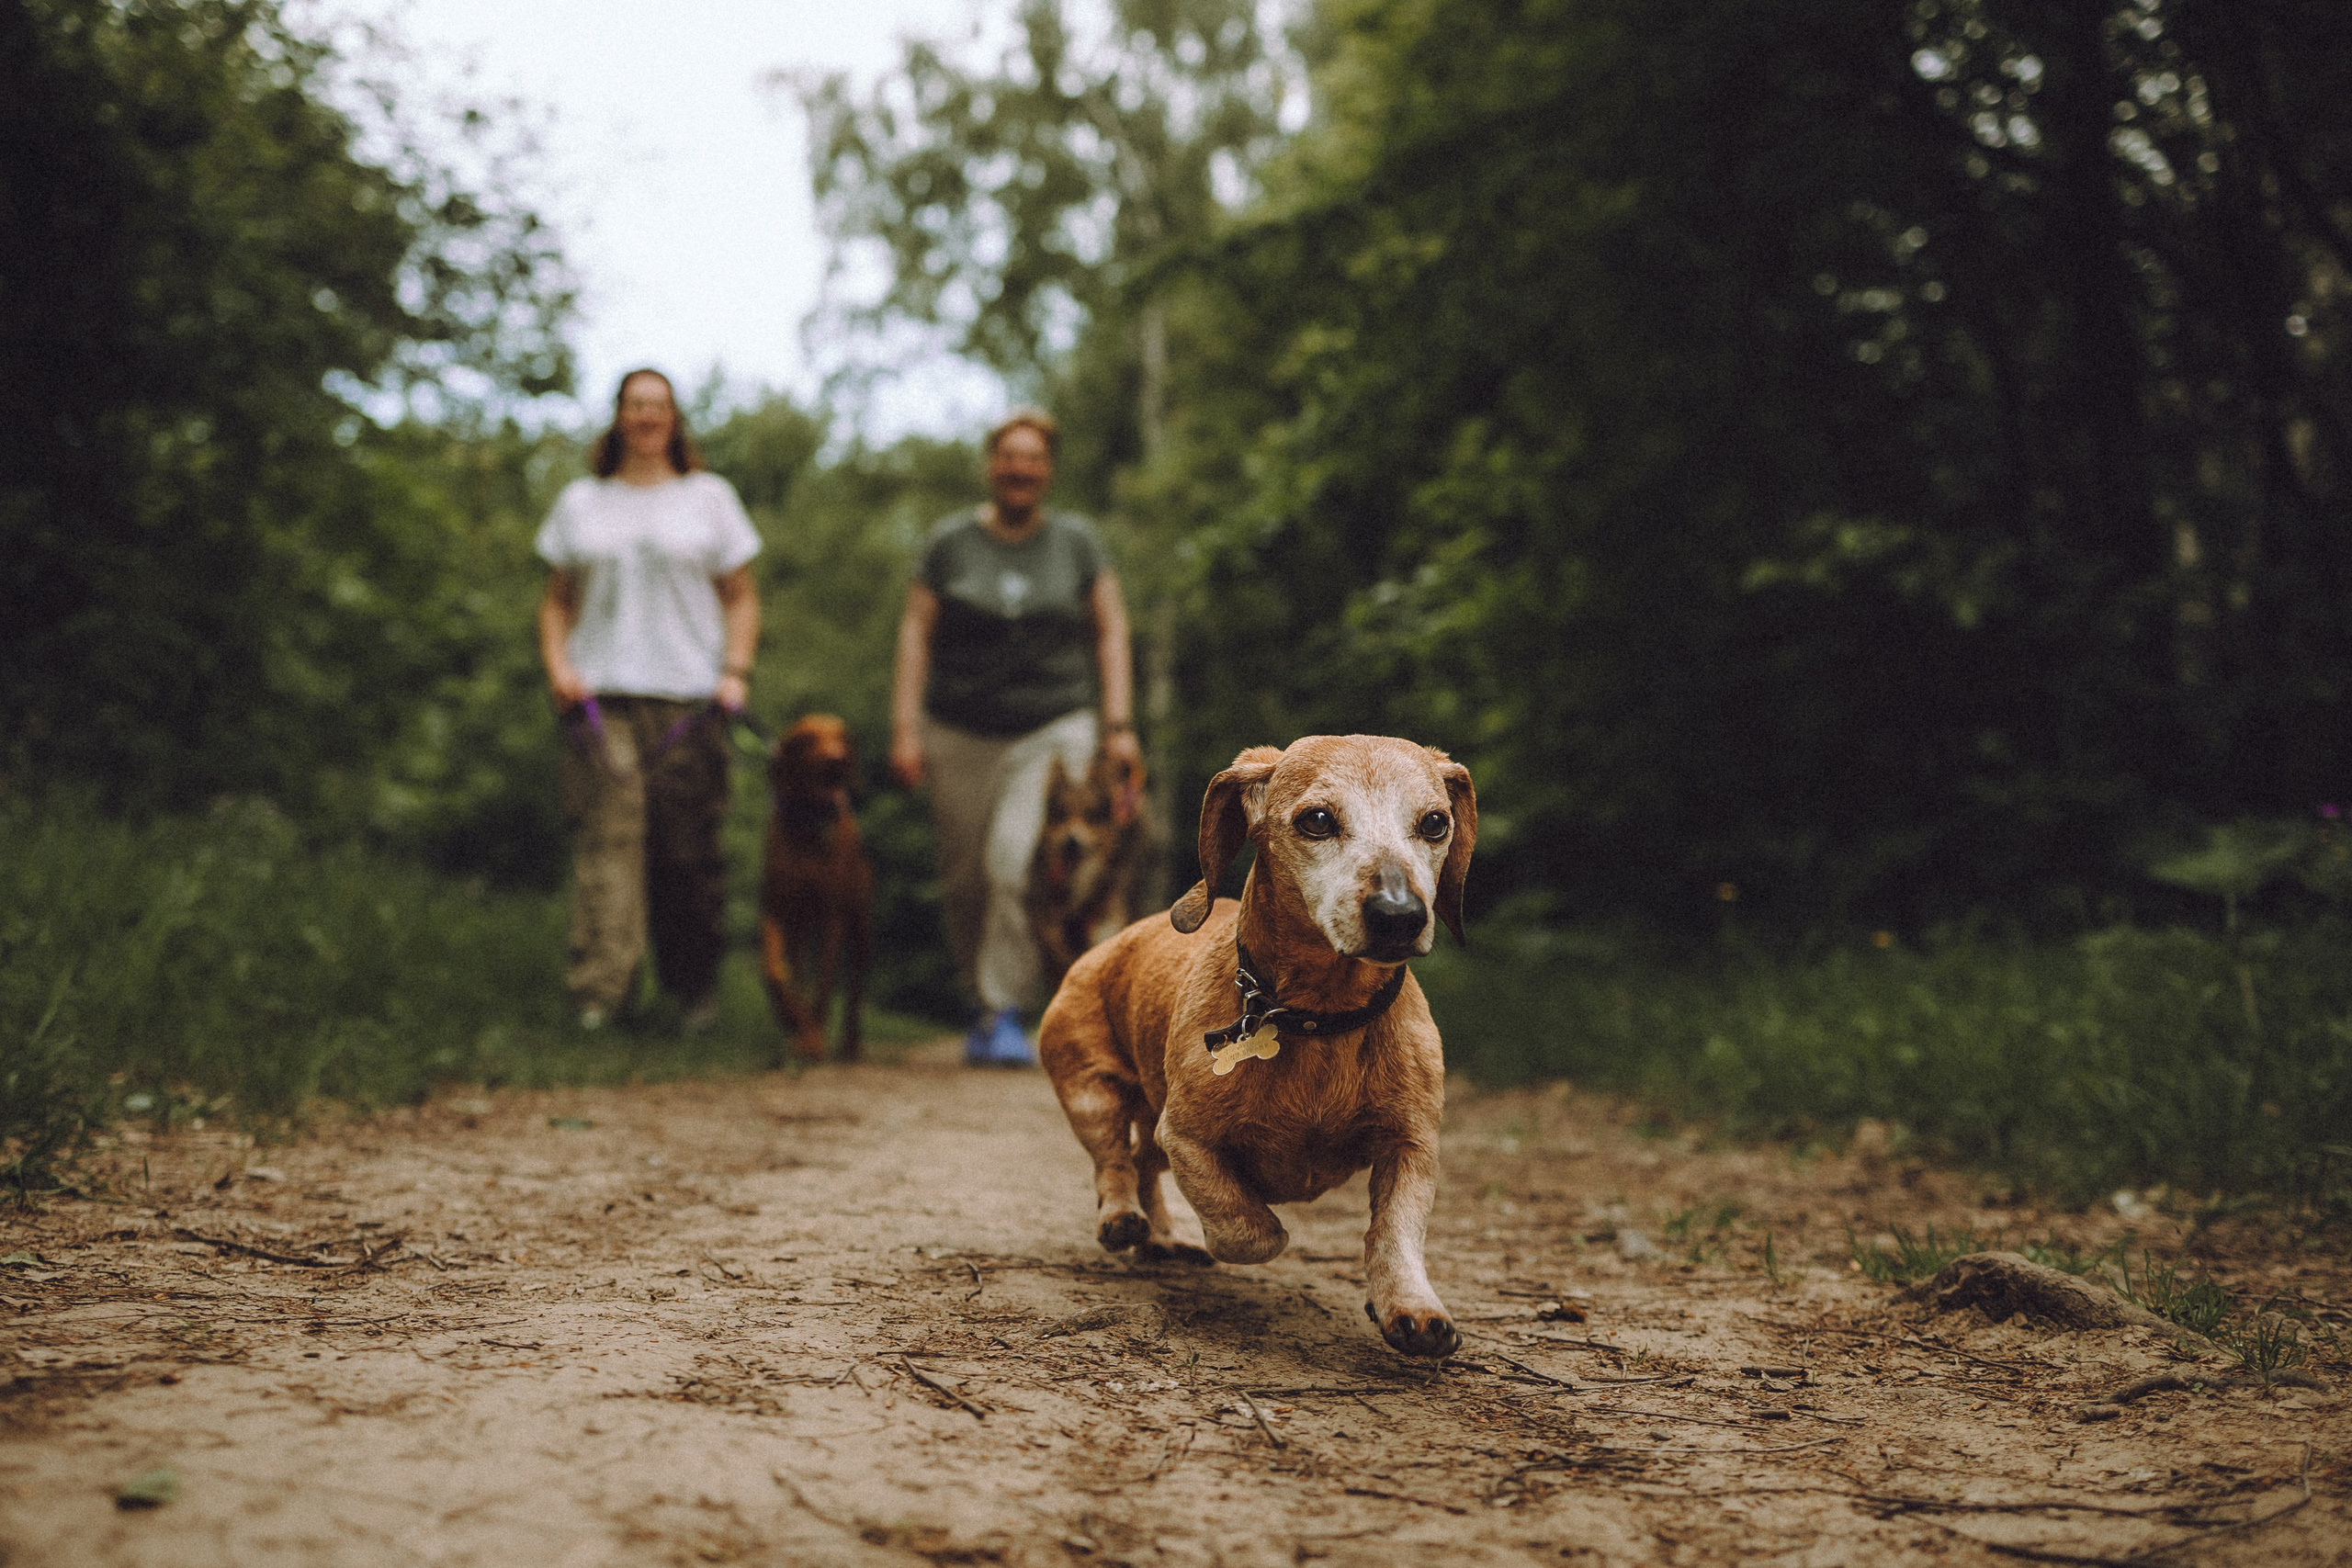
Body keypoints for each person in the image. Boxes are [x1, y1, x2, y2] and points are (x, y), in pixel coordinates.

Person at [889, 410, 1144, 1065]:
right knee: (966, 879)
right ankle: (980, 1006)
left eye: (1032, 458)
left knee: (1011, 859)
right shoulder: (950, 544)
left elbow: (1110, 630)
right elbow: (915, 633)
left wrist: (1118, 726)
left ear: (1048, 470)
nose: (1019, 469)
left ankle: (1004, 1009)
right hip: (958, 730)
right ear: (990, 464)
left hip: (1053, 726)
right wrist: (905, 728)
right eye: (1008, 456)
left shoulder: (1077, 544)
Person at [536, 368, 762, 1033]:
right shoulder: (583, 502)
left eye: (658, 405)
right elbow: (556, 601)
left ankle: (693, 991)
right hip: (602, 695)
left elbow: (741, 594)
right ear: (618, 416)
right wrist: (559, 667)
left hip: (690, 698)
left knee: (685, 849)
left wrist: (735, 670)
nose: (646, 416)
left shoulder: (709, 497)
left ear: (674, 418)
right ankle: (601, 996)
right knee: (610, 839)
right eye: (635, 405)